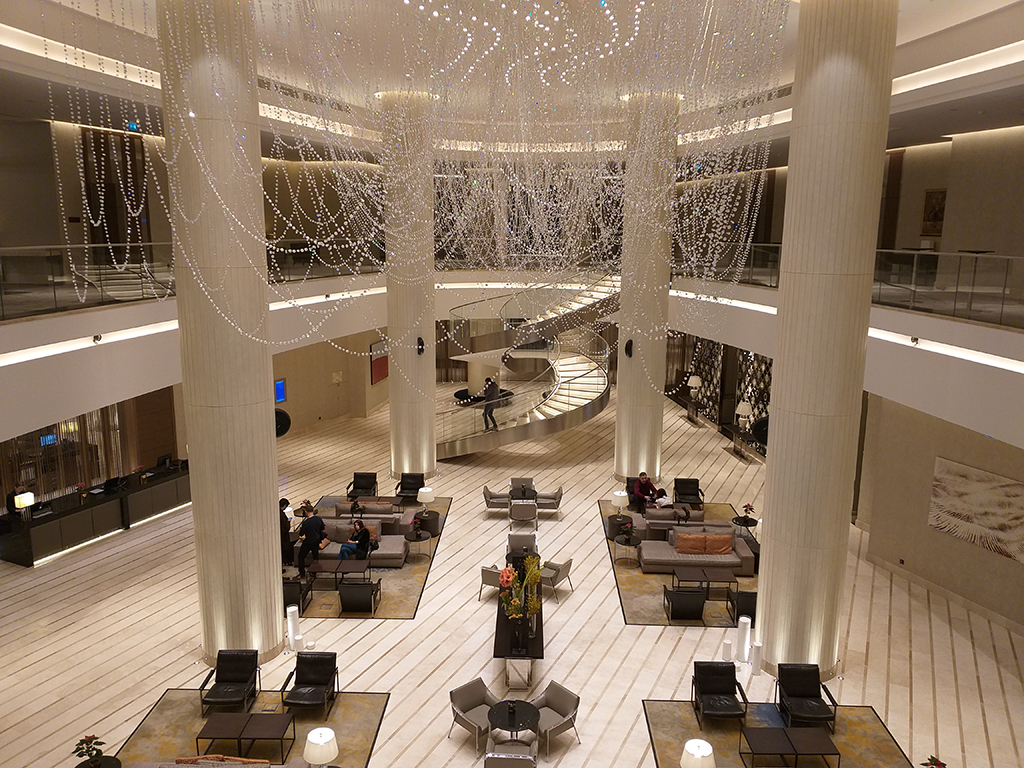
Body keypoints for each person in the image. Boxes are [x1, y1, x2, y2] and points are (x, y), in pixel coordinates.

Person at [293, 504, 325, 580]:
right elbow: (322, 528)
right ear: (313, 511)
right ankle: (314, 572)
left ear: (306, 512)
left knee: (301, 556)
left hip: (308, 542)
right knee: (315, 556)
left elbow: (301, 533)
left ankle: (302, 573)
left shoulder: (306, 523)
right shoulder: (318, 519)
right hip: (317, 540)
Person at [279, 498, 293, 568]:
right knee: (285, 547)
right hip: (283, 535)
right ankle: (287, 561)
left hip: (279, 533)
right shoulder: (281, 514)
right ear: (284, 505)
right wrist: (288, 522)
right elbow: (286, 527)